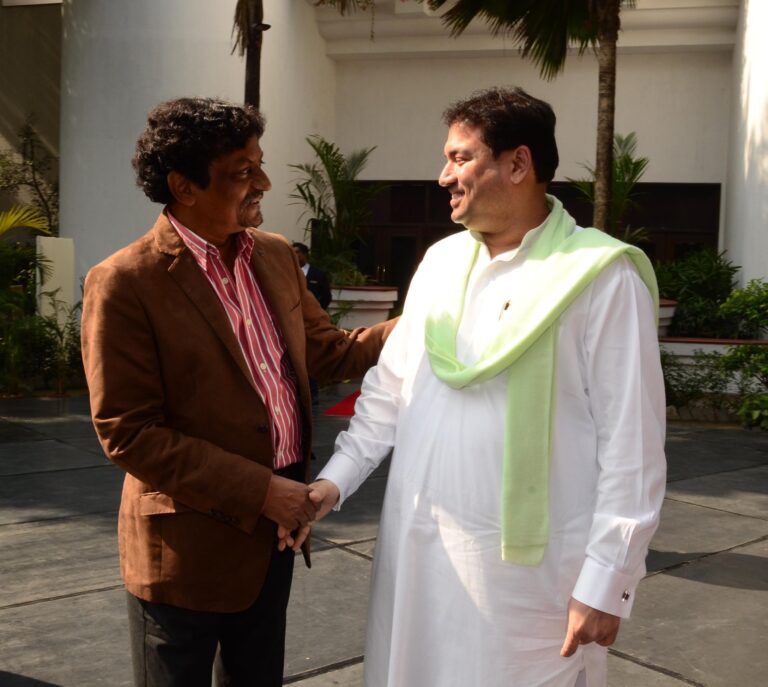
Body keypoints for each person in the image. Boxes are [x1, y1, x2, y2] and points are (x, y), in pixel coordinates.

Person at [294, 87, 667, 686]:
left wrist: (609, 581)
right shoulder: (440, 262)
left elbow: (635, 449)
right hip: (416, 561)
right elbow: (389, 394)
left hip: (532, 581)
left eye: (461, 158)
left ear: (518, 164)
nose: (443, 176)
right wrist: (330, 486)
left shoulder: (601, 278)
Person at [80, 97, 393, 687]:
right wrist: (262, 491)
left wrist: (431, 315)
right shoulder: (124, 283)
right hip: (184, 555)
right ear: (184, 185)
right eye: (244, 172)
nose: (264, 183)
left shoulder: (272, 256)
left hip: (273, 539)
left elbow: (332, 351)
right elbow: (129, 433)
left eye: (260, 165)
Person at [292, 241, 332, 309]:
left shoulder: (318, 274)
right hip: (293, 314)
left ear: (304, 254)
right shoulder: (289, 273)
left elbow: (326, 296)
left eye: (297, 252)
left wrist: (318, 310)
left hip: (312, 312)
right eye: (292, 253)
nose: (294, 255)